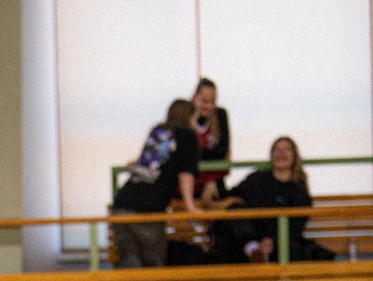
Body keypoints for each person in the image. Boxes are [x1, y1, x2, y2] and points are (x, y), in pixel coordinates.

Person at [110, 100, 201, 267]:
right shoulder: (187, 136)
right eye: (195, 119)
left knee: (130, 266)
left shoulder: (158, 131)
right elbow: (186, 173)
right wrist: (190, 206)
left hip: (122, 204)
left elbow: (151, 162)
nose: (196, 125)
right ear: (189, 117)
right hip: (148, 208)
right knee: (154, 265)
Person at [220, 137, 333, 264]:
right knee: (235, 209)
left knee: (295, 249)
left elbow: (296, 227)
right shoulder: (256, 180)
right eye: (276, 150)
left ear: (294, 156)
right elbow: (227, 195)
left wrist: (272, 241)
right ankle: (254, 251)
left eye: (286, 150)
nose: (281, 154)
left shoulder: (299, 191)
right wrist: (213, 185)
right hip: (250, 245)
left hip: (282, 245)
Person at [191, 78, 231, 204]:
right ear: (194, 98)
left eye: (212, 102)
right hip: (190, 182)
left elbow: (222, 151)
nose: (208, 106)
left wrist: (211, 179)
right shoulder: (185, 118)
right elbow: (186, 156)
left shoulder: (220, 115)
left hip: (214, 178)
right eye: (204, 101)